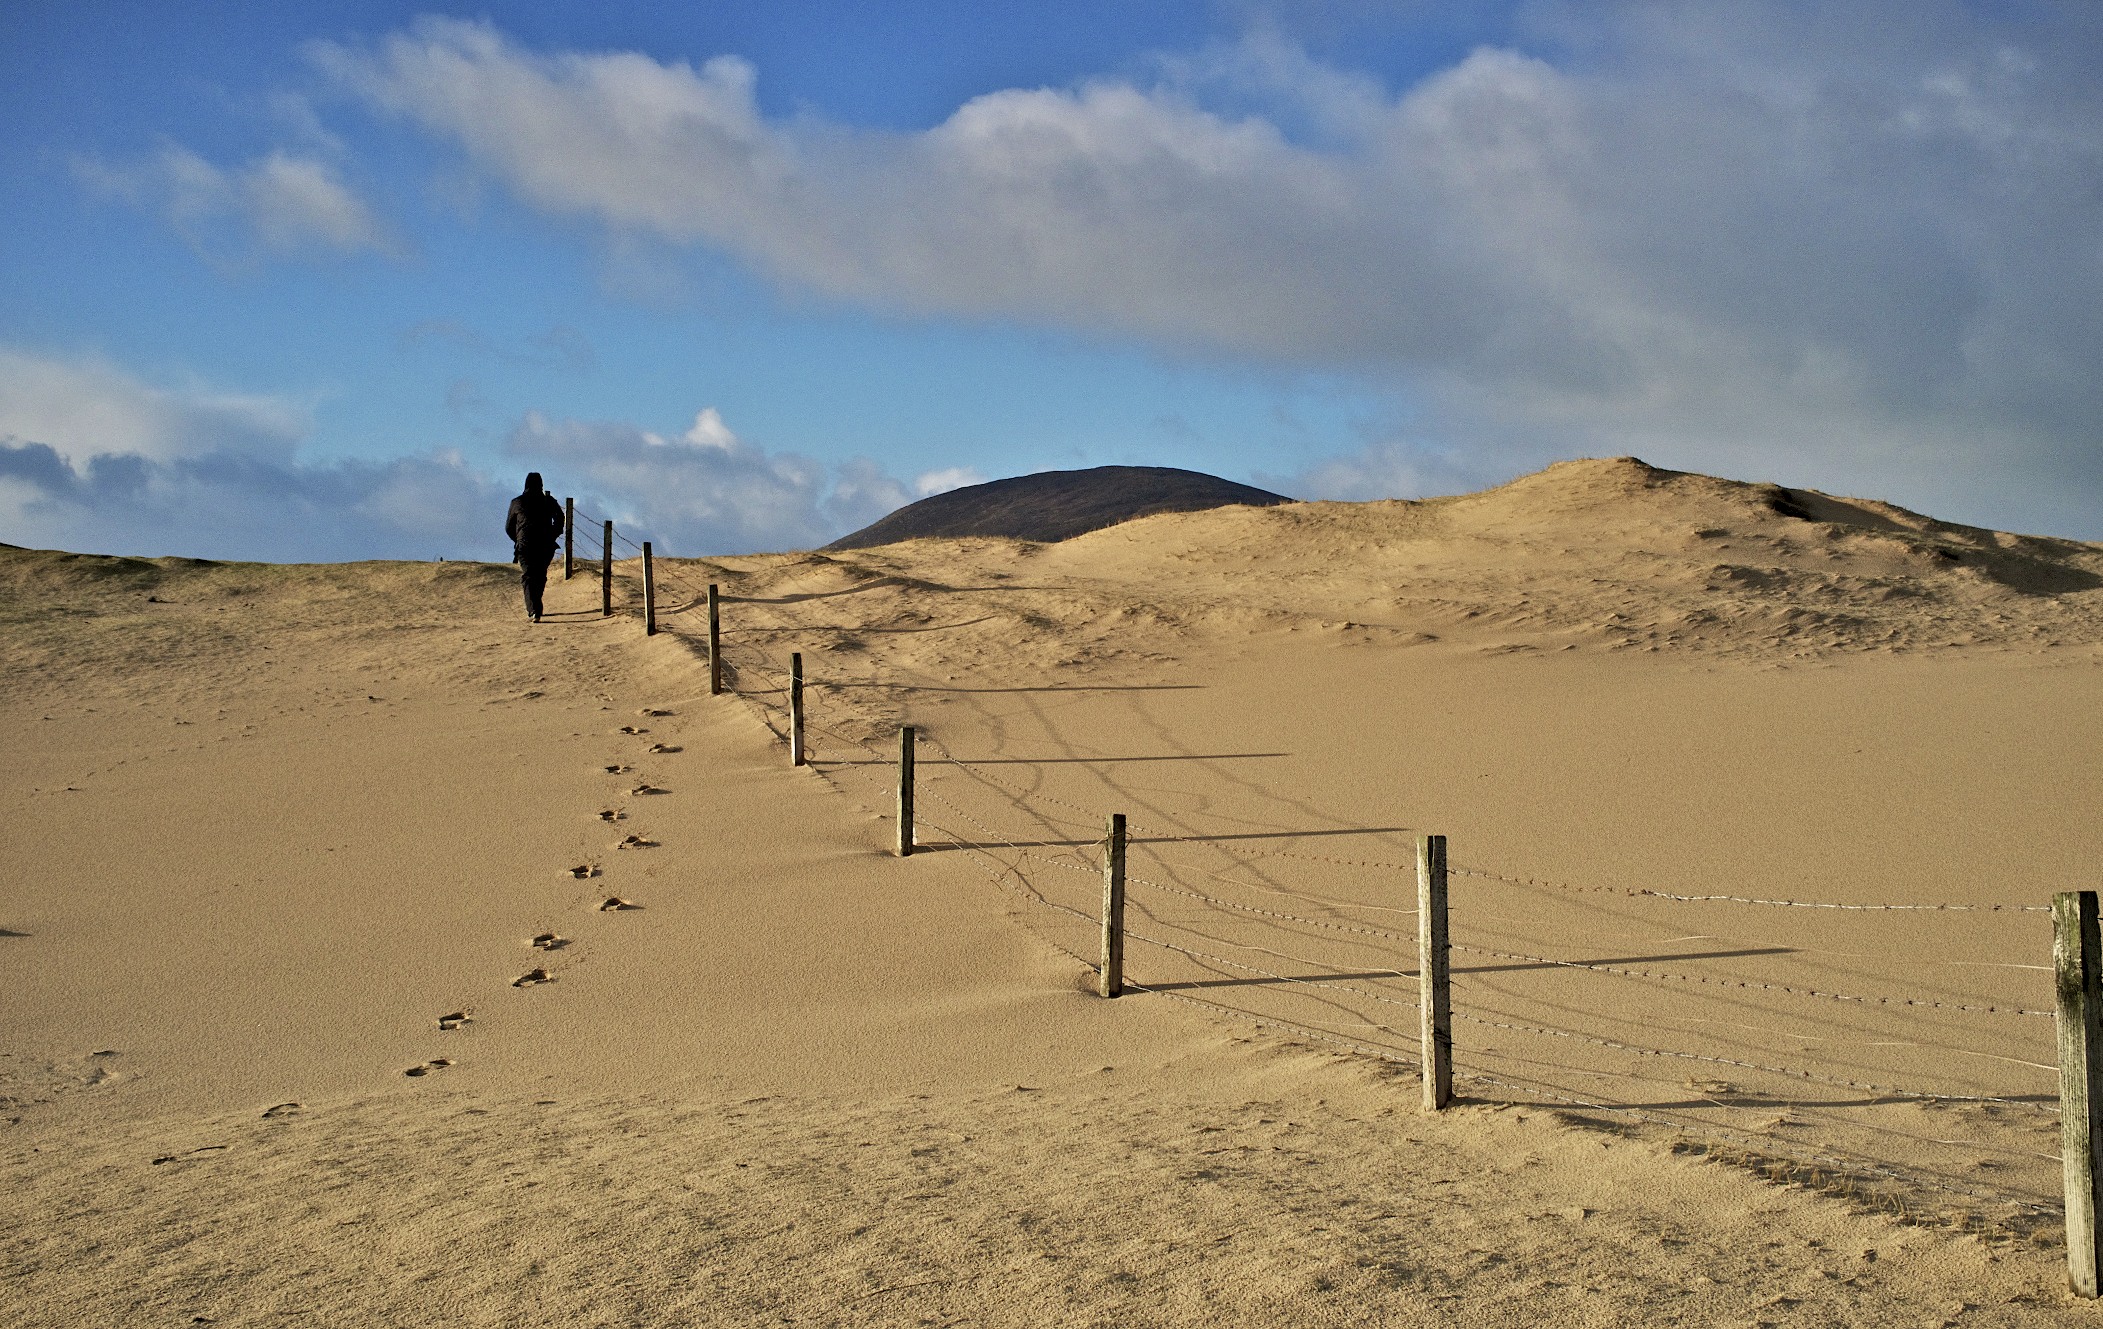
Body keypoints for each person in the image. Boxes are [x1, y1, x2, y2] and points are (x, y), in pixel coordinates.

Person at [504, 473, 564, 623]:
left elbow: (508, 527)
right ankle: (536, 608)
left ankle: (534, 610)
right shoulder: (548, 501)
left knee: (529, 576)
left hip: (525, 546)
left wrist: (518, 539)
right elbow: (560, 518)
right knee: (539, 576)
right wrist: (553, 534)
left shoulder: (516, 502)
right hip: (545, 545)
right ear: (541, 485)